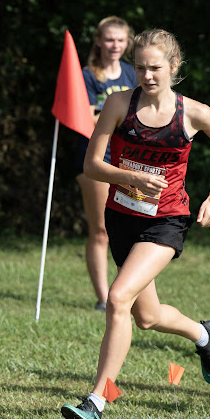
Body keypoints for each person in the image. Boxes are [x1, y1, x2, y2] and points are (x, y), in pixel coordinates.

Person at [61, 29, 210, 419]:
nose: (147, 75)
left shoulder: (193, 113)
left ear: (174, 67)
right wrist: (131, 178)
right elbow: (92, 165)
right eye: (140, 67)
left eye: (156, 67)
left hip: (167, 220)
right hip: (123, 216)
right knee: (146, 315)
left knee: (118, 296)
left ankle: (95, 401)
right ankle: (202, 334)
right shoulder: (118, 104)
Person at [77, 16, 138, 312]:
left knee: (134, 226)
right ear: (99, 41)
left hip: (130, 159)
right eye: (109, 39)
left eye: (120, 40)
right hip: (97, 159)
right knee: (101, 229)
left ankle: (128, 291)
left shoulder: (133, 74)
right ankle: (103, 298)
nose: (115, 45)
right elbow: (86, 119)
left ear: (127, 43)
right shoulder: (87, 76)